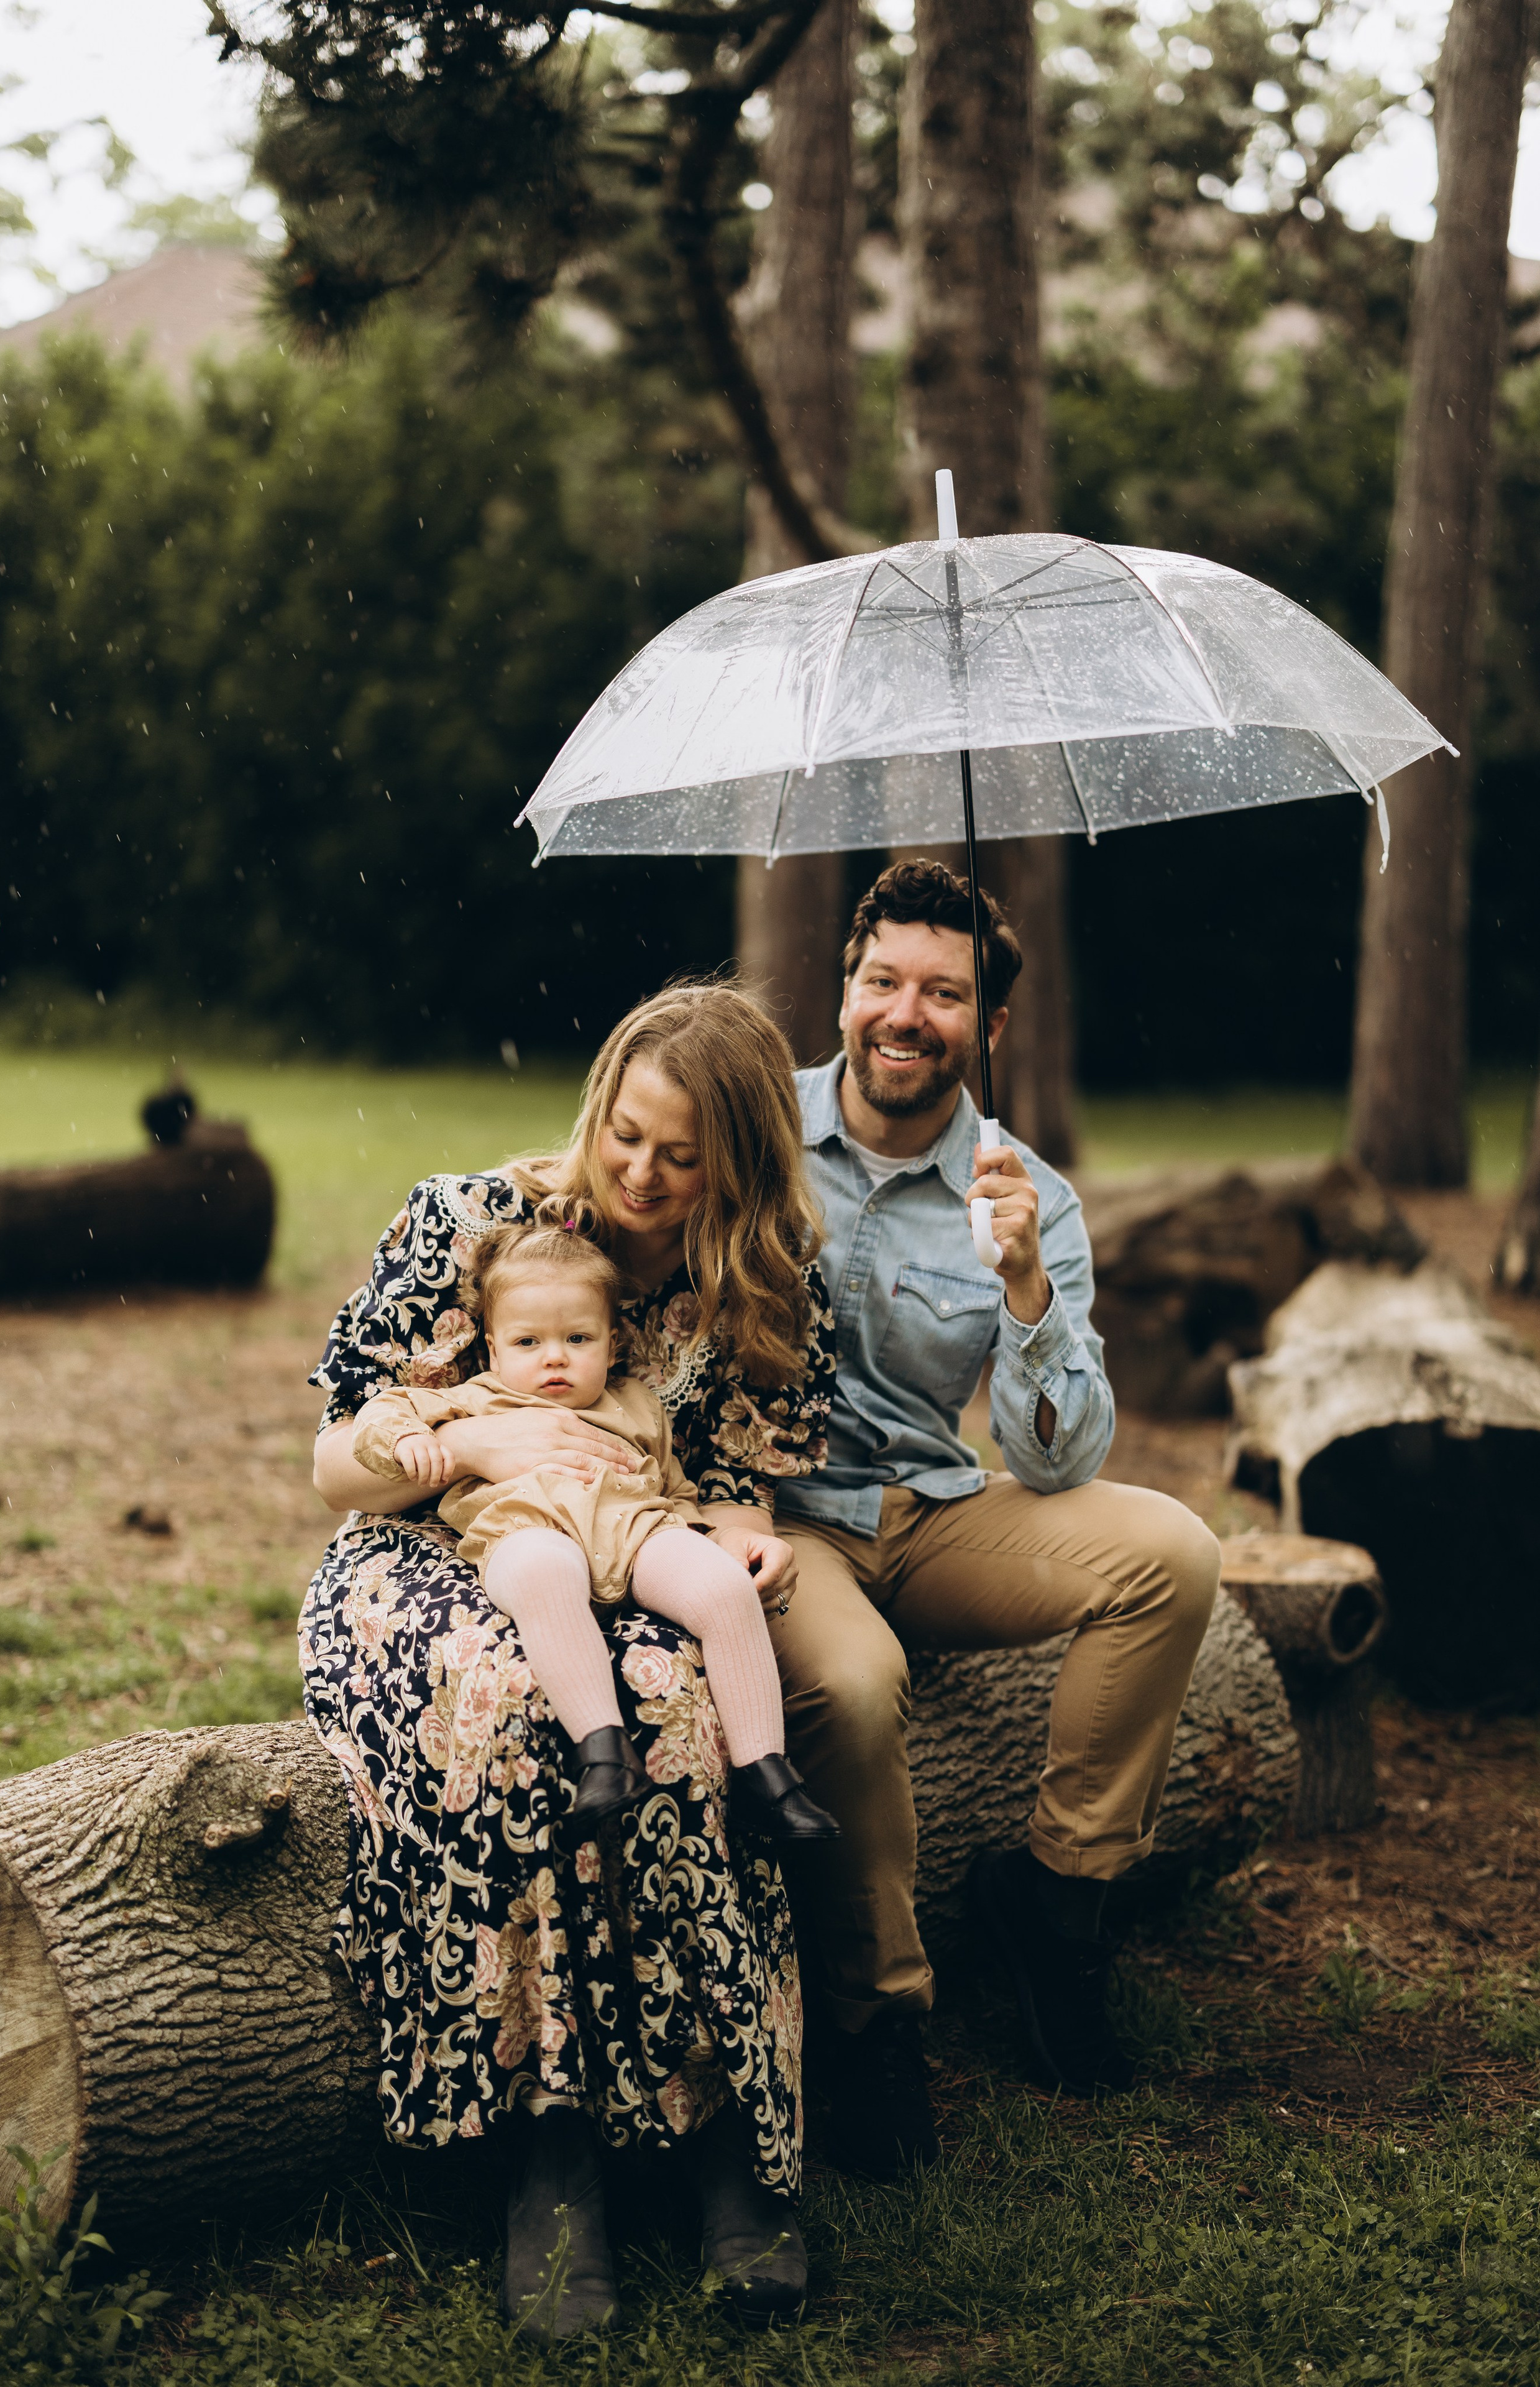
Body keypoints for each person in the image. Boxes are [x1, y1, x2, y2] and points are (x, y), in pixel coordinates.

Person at [301, 984, 837, 2337]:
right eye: (624, 1135)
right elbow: (333, 1464)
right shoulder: (465, 1222)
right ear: (597, 1105)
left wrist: (748, 1539)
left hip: (638, 1535)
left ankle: (729, 2128)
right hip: (431, 1549)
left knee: (677, 1704)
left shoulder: (759, 1280)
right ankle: (548, 2144)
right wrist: (469, 1439)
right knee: (508, 1700)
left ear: (741, 1165)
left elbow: (745, 1483)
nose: (639, 1175)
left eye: (681, 1157)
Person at [771, 860, 1222, 2176]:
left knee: (1172, 1553)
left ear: (990, 1025)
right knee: (858, 1689)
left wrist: (1023, 1283)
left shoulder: (1027, 1195)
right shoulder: (752, 1123)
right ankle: (878, 2021)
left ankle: (1059, 1894)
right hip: (778, 1520)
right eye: (883, 982)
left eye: (944, 993)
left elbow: (1058, 1456)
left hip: (932, 1515)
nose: (905, 1015)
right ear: (845, 991)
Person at [350, 1220, 840, 1845]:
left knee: (722, 1588)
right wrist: (410, 1440)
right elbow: (381, 1413)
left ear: (611, 1346)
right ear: (494, 1351)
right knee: (544, 1572)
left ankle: (765, 1776)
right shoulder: (477, 1399)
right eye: (528, 1342)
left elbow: (677, 1493)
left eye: (577, 1338)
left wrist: (721, 1542)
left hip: (637, 1532)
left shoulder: (635, 1404)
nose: (554, 1356)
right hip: (527, 1530)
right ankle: (604, 1754)